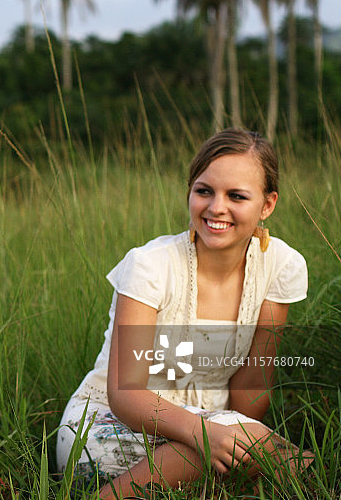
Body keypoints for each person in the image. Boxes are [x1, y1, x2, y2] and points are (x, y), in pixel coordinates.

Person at [56, 129, 310, 498]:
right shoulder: (149, 265)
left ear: (267, 204)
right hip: (107, 430)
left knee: (243, 439)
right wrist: (209, 436)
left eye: (236, 196)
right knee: (266, 452)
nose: (215, 208)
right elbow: (126, 395)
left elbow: (250, 389)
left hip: (216, 431)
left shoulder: (281, 266)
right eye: (204, 191)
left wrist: (232, 445)